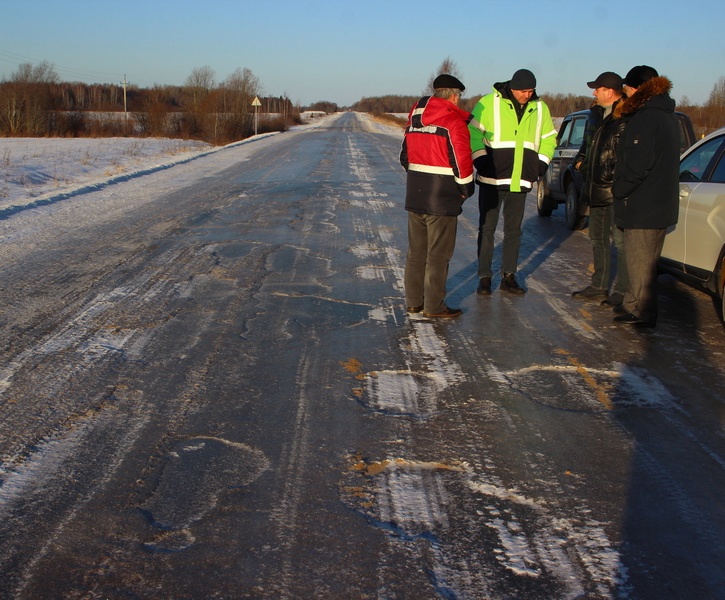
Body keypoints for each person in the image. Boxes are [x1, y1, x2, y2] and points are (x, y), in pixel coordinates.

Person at [469, 69, 557, 295]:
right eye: (523, 91)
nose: (527, 95)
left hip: (521, 179)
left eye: (531, 91)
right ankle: (484, 277)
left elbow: (548, 139)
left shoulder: (540, 108)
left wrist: (540, 165)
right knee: (487, 229)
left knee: (513, 231)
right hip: (491, 178)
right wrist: (481, 161)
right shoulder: (488, 103)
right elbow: (473, 133)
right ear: (513, 87)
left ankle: (509, 276)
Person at [400, 74, 475, 318]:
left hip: (416, 193)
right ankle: (434, 306)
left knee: (416, 253)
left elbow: (405, 157)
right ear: (454, 96)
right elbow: (461, 161)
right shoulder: (453, 122)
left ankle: (414, 302)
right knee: (438, 255)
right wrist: (465, 189)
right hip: (441, 197)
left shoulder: (414, 120)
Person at [612, 65, 680, 328]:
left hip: (643, 203)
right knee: (645, 262)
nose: (625, 94)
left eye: (627, 88)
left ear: (637, 89)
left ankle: (644, 312)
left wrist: (620, 189)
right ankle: (633, 306)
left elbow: (638, 165)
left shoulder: (645, 118)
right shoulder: (666, 115)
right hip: (660, 202)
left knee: (641, 263)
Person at [571, 72, 629, 308]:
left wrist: (612, 179)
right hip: (595, 188)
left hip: (614, 191)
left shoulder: (624, 119)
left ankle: (624, 290)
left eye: (598, 88)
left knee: (620, 241)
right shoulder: (597, 116)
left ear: (610, 91)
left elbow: (623, 157)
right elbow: (589, 146)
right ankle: (599, 286)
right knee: (597, 238)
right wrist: (582, 162)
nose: (594, 93)